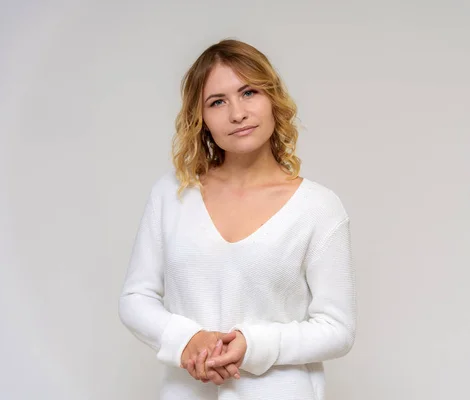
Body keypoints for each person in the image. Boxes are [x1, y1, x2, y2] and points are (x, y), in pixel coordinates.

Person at [118, 38, 356, 400]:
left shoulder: (319, 208)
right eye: (217, 102)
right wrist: (188, 341)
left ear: (273, 99)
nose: (237, 113)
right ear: (201, 120)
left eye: (249, 93)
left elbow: (337, 329)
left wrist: (252, 345)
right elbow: (136, 297)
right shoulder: (173, 194)